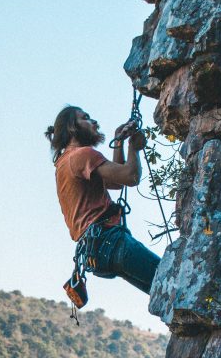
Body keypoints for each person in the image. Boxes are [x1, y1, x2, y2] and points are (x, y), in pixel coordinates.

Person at [45, 105, 160, 294]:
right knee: (169, 282)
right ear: (72, 128)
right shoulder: (82, 155)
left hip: (97, 252)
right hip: (110, 240)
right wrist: (134, 147)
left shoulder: (64, 163)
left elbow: (115, 183)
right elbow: (130, 176)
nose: (93, 122)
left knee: (162, 292)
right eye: (86, 118)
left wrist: (119, 142)